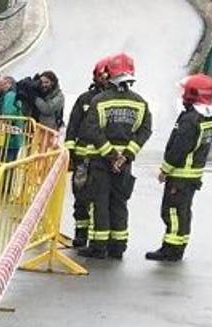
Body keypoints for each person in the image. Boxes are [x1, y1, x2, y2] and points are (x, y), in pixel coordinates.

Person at [77, 53, 152, 260]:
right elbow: (145, 131)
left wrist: (111, 155)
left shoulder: (99, 101)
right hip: (125, 164)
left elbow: (92, 129)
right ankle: (118, 246)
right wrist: (126, 156)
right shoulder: (140, 103)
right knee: (119, 203)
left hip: (101, 161)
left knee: (100, 202)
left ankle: (98, 246)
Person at [146, 74, 212, 262]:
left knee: (172, 212)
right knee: (182, 212)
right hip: (191, 175)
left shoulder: (190, 119)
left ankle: (172, 250)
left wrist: (165, 170)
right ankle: (175, 246)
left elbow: (179, 147)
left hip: (180, 175)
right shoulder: (206, 117)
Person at [65, 57, 113, 247]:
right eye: (102, 75)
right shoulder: (84, 99)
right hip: (82, 159)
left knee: (100, 199)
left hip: (102, 157)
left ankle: (98, 237)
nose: (105, 78)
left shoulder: (112, 101)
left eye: (108, 75)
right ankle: (81, 233)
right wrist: (70, 151)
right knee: (81, 196)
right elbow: (73, 125)